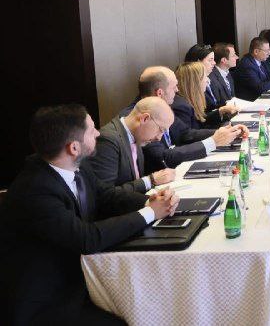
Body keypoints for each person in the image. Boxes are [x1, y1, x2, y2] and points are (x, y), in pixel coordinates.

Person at [0, 104, 179, 325]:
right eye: (92, 129)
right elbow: (87, 238)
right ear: (74, 147)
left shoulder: (78, 166)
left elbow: (107, 197)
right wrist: (150, 213)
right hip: (45, 299)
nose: (98, 133)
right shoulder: (34, 189)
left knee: (149, 302)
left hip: (81, 276)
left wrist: (150, 201)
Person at [128, 66, 242, 172]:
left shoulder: (162, 105)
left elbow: (185, 133)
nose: (177, 90)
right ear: (160, 93)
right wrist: (212, 142)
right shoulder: (140, 115)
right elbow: (163, 157)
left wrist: (227, 132)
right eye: (174, 87)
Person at [87, 97, 177, 193]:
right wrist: (150, 181)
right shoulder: (107, 140)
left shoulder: (137, 135)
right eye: (161, 130)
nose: (159, 138)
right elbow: (106, 194)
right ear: (144, 119)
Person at [173, 62, 243, 134]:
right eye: (205, 77)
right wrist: (219, 133)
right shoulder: (181, 106)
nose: (208, 80)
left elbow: (201, 121)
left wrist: (221, 111)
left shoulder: (190, 99)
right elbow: (189, 135)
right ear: (194, 82)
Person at [184, 44, 227, 118]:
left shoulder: (213, 77)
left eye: (214, 59)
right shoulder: (190, 85)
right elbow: (199, 117)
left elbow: (217, 104)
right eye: (210, 60)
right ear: (197, 62)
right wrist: (221, 111)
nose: (214, 63)